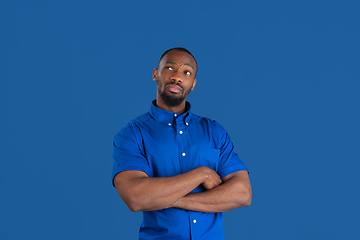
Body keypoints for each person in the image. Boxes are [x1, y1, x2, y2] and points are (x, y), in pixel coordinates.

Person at [112, 47, 252, 240]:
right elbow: (136, 198)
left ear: (193, 84)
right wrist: (201, 174)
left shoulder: (214, 131)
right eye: (170, 68)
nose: (177, 77)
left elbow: (242, 193)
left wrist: (170, 200)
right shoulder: (132, 134)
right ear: (156, 74)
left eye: (186, 72)